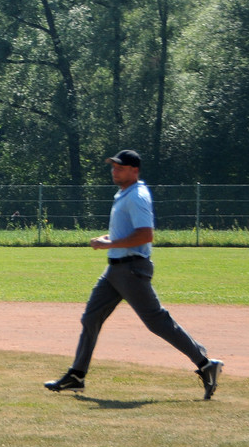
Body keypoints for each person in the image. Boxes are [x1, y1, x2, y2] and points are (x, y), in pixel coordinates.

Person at [44, 149, 224, 399]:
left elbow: (145, 234)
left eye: (120, 167)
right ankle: (77, 375)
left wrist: (109, 244)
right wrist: (107, 239)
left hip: (131, 269)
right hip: (115, 270)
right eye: (113, 166)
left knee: (157, 321)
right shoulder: (123, 194)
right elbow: (127, 234)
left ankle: (205, 364)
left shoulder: (137, 196)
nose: (114, 171)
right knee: (91, 318)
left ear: (134, 170)